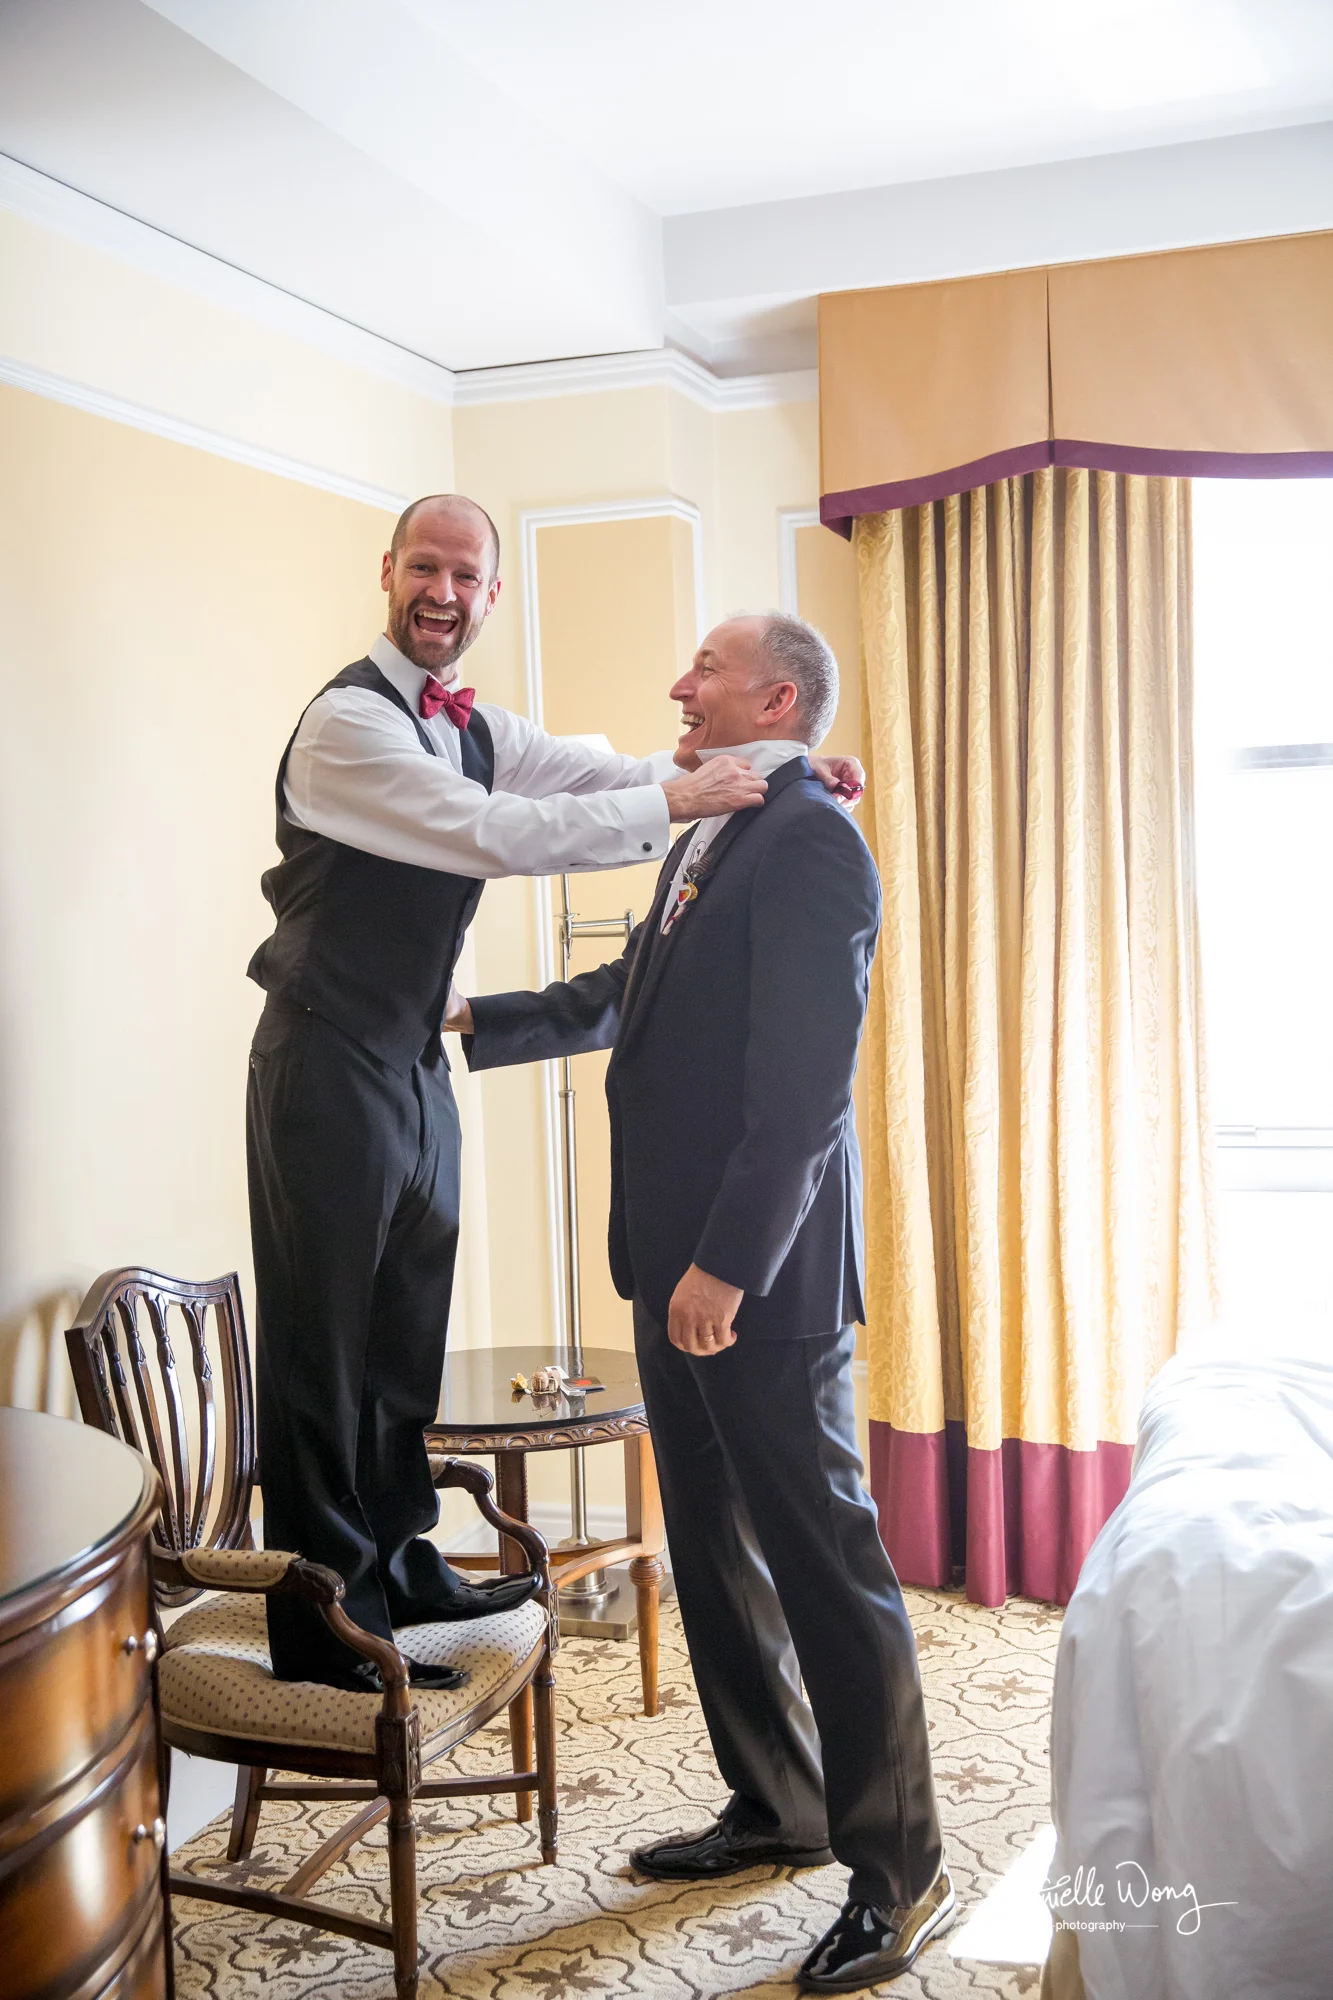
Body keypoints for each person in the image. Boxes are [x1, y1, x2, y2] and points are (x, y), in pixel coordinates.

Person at [246, 494, 861, 1691]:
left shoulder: (471, 722)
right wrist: (680, 800)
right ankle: (324, 1622)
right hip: (323, 1056)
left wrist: (765, 765)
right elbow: (493, 832)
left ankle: (398, 1564)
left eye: (465, 575)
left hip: (414, 1060)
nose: (443, 591)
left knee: (401, 1336)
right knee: (322, 1345)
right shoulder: (346, 725)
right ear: (389, 570)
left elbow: (608, 768)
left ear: (489, 593)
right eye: (425, 567)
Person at [450, 612, 949, 1992]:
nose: (681, 685)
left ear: (774, 697)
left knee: (825, 1564)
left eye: (707, 671)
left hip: (755, 1280)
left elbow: (804, 1088)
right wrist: (477, 1021)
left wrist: (728, 1264)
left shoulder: (811, 840)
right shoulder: (711, 823)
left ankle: (900, 1869)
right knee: (716, 1552)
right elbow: (636, 991)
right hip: (668, 1265)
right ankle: (777, 1802)